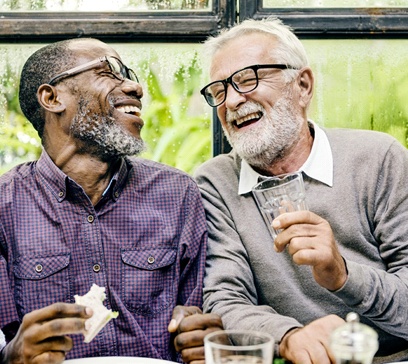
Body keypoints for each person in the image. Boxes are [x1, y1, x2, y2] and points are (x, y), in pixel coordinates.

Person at [194, 16, 408, 364]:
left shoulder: (378, 159)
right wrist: (288, 336)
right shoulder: (215, 183)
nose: (231, 101)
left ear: (303, 85)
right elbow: (225, 301)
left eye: (248, 80)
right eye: (219, 91)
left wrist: (342, 275)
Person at [0, 38, 222, 364]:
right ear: (52, 97)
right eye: (110, 72)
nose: (135, 87)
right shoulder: (4, 207)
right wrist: (11, 355)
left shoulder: (177, 194)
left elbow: (201, 317)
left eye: (129, 74)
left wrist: (202, 337)